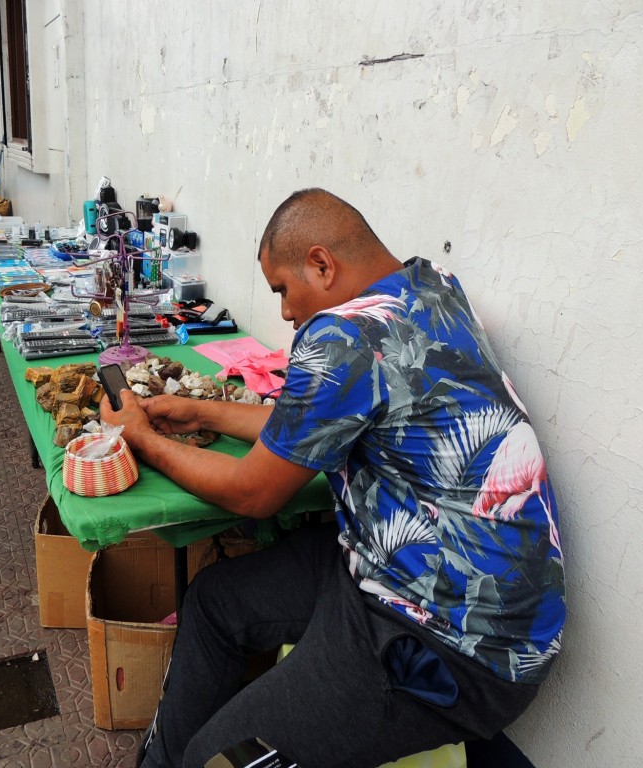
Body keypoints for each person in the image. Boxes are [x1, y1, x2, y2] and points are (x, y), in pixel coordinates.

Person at [101, 188, 566, 767]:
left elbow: (254, 494)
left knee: (214, 759)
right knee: (215, 602)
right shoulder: (429, 285)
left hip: (455, 641)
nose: (286, 313)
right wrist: (200, 411)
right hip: (398, 565)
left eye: (284, 291)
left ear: (322, 265)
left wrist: (141, 438)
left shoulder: (340, 336)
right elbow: (307, 421)